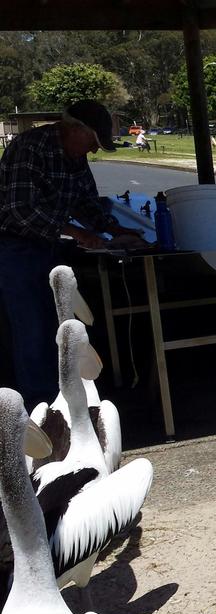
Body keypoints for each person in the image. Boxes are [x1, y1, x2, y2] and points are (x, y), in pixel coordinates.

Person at [0, 100, 145, 406]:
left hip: (49, 245)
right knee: (32, 327)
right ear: (73, 128)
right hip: (15, 247)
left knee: (59, 325)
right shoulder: (30, 148)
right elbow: (19, 210)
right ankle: (40, 407)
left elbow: (86, 202)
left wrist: (115, 230)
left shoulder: (75, 156)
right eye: (93, 141)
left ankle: (62, 396)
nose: (93, 151)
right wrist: (77, 232)